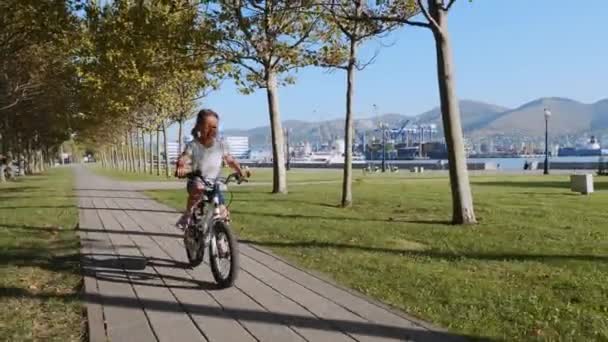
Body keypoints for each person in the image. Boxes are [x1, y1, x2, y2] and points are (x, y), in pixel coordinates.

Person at [174, 109, 249, 229]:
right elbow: (184, 157)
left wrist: (239, 170)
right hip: (197, 180)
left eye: (214, 127)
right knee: (197, 190)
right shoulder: (193, 145)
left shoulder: (220, 145)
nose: (211, 130)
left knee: (223, 212)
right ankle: (188, 215)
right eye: (207, 127)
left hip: (214, 183)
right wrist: (181, 166)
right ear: (199, 127)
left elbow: (230, 160)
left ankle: (223, 238)